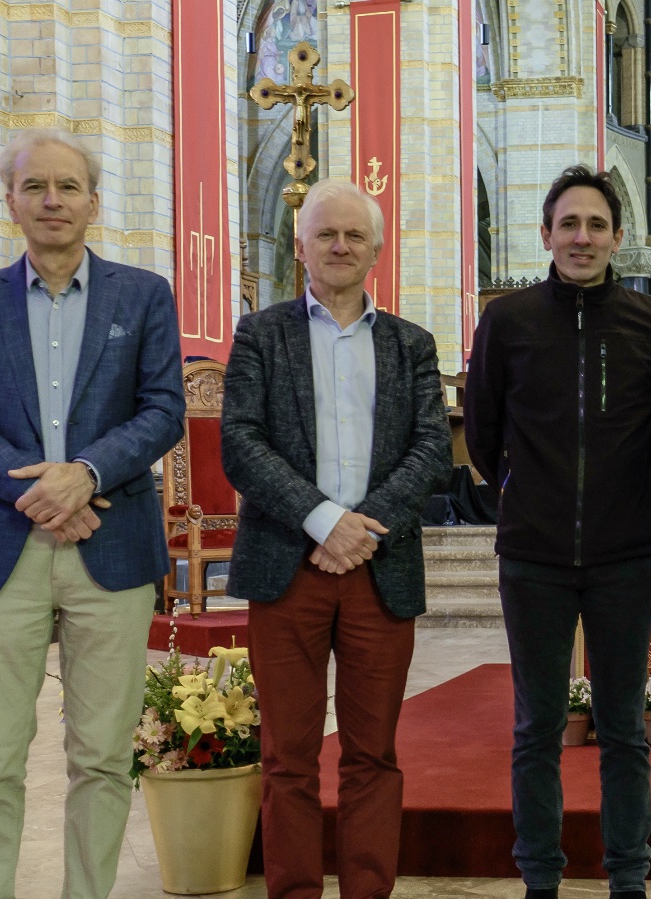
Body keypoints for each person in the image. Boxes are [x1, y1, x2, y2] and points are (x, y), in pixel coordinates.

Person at [0, 127, 185, 899]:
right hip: (2, 549)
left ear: (93, 202)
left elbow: (163, 409)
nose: (52, 200)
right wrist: (39, 492)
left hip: (112, 547)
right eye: (34, 186)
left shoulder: (143, 295)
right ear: (10, 201)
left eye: (68, 186)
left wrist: (85, 473)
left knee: (103, 757)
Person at [220, 178, 453, 899]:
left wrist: (362, 528)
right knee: (287, 757)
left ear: (377, 250)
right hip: (287, 565)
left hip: (380, 570)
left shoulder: (412, 344)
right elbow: (241, 443)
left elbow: (431, 449)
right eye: (327, 234)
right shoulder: (261, 335)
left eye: (355, 235)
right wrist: (324, 520)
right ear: (302, 247)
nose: (341, 245)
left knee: (372, 754)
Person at [463, 165, 651, 899]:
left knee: (623, 727)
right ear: (546, 234)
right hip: (533, 554)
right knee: (537, 726)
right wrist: (525, 494)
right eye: (569, 224)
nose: (582, 237)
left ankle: (628, 877)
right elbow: (483, 429)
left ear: (618, 237)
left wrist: (622, 495)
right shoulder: (508, 321)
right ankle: (540, 877)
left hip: (624, 553)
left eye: (596, 225)